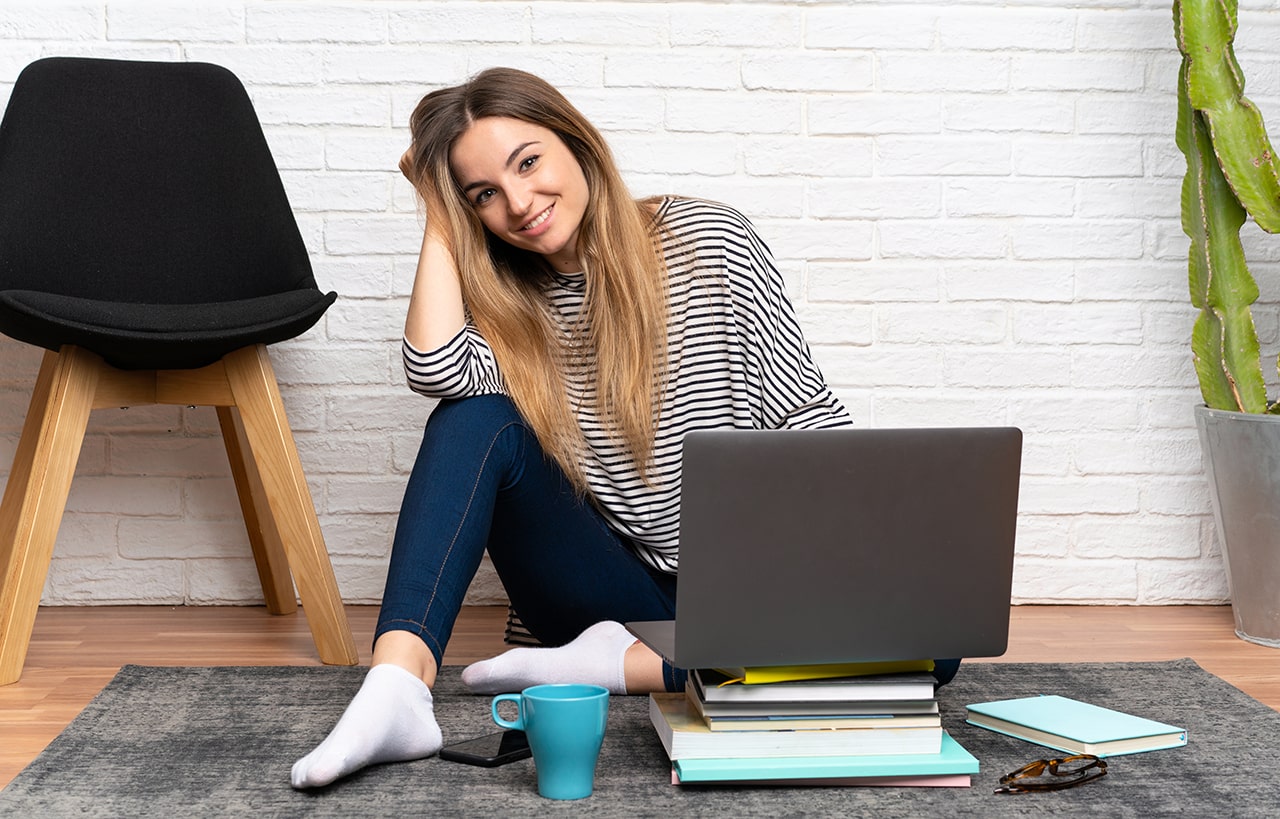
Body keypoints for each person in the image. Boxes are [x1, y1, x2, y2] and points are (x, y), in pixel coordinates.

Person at [290, 66, 863, 790]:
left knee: (934, 641)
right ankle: (397, 689)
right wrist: (437, 209)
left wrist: (851, 558)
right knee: (475, 416)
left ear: (576, 142)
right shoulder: (501, 300)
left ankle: (620, 667)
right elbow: (434, 368)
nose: (518, 203)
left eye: (528, 162)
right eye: (482, 194)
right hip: (608, 594)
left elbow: (804, 418)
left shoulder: (709, 240)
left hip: (750, 591)